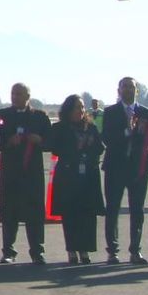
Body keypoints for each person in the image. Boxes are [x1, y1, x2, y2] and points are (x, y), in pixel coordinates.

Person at [0, 83, 51, 265]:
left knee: (35, 212)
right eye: (13, 93)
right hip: (10, 171)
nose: (15, 97)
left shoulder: (40, 117)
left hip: (32, 172)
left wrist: (39, 140)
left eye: (19, 94)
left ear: (28, 96)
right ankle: (8, 251)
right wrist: (8, 142)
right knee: (9, 211)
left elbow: (50, 141)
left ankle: (37, 251)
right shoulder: (2, 115)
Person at [100, 76, 148, 264]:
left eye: (131, 87)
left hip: (138, 168)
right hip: (115, 167)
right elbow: (106, 138)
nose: (128, 90)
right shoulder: (110, 112)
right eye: (124, 87)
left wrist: (142, 132)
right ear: (118, 90)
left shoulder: (147, 113)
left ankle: (135, 250)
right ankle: (112, 251)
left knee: (137, 210)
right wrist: (126, 131)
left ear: (137, 90)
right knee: (112, 209)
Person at [50, 95, 104, 264]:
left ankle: (84, 250)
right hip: (68, 176)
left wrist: (88, 151)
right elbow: (54, 148)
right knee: (70, 214)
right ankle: (72, 250)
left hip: (87, 176)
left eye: (82, 107)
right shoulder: (59, 128)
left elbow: (99, 148)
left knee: (87, 214)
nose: (80, 110)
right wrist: (75, 150)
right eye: (76, 107)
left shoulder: (90, 127)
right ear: (68, 110)